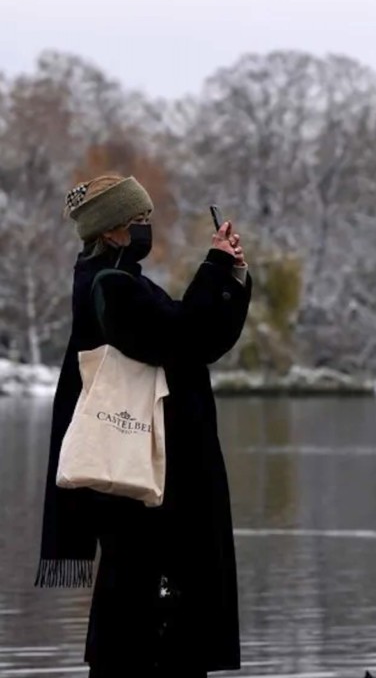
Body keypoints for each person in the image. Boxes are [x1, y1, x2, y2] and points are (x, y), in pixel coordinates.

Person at [36, 173, 253, 677]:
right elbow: (182, 337)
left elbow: (198, 340)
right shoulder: (110, 286)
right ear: (110, 229)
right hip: (146, 478)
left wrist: (230, 274)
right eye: (137, 221)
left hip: (150, 471)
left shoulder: (119, 280)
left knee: (146, 599)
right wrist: (215, 266)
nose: (145, 229)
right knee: (154, 601)